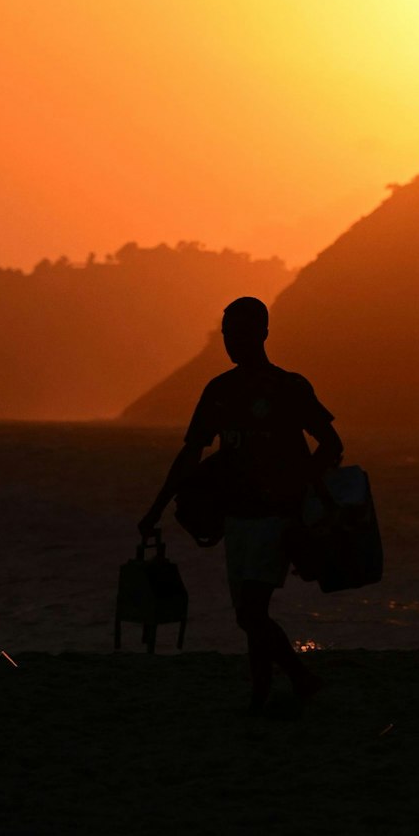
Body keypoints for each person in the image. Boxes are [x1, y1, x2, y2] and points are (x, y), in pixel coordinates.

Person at [138, 296, 342, 712]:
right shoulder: (219, 391)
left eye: (239, 332)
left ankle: (302, 679)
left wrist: (297, 487)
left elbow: (331, 445)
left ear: (263, 333)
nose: (231, 341)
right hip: (236, 519)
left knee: (250, 612)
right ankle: (261, 692)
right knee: (252, 613)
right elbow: (191, 453)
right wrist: (156, 508)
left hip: (276, 519)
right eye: (226, 333)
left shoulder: (289, 387)